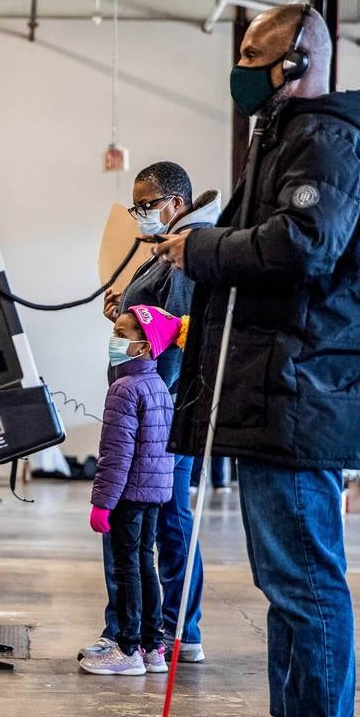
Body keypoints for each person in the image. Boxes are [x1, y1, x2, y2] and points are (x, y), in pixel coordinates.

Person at [155, 3, 360, 717]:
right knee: (284, 579)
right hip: (277, 393)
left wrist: (200, 249)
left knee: (306, 580)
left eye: (254, 52)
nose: (242, 66)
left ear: (295, 60)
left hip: (305, 395)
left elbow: (302, 247)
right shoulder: (286, 139)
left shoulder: (326, 140)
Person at [81, 162, 219, 667]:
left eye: (147, 204)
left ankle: (141, 636)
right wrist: (126, 310)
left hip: (160, 416)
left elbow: (178, 336)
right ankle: (165, 632)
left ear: (176, 202)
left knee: (148, 526)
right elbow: (155, 323)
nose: (140, 214)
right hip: (161, 413)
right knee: (167, 523)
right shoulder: (168, 252)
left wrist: (150, 413)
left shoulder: (185, 253)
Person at [80, 305, 181, 676]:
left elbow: (116, 453)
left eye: (122, 335)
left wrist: (102, 502)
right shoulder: (158, 386)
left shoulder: (124, 388)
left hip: (128, 494)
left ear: (144, 347)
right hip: (153, 492)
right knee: (144, 562)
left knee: (127, 569)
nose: (114, 340)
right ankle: (153, 646)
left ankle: (127, 648)